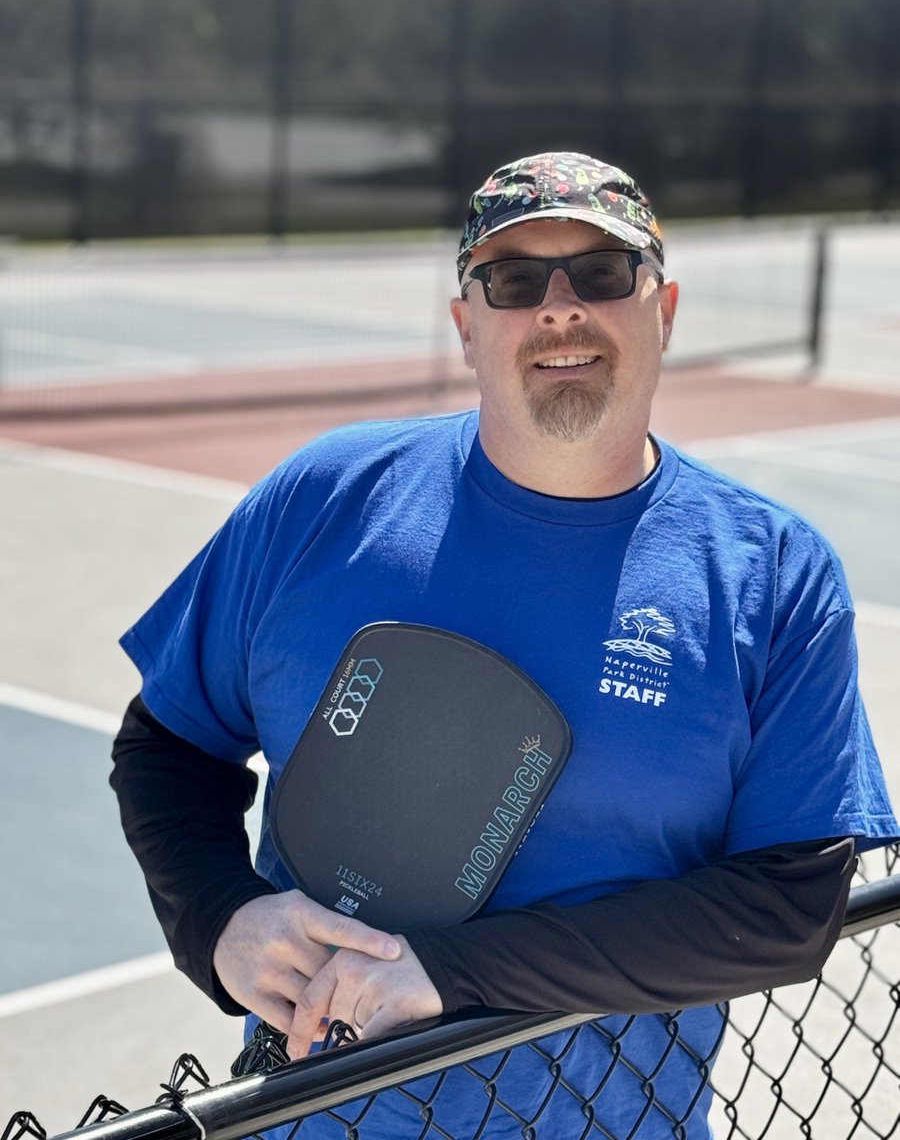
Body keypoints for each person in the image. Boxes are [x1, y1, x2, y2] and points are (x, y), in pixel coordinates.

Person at [111, 151, 898, 1139]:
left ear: (664, 309)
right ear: (466, 327)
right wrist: (218, 917)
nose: (559, 308)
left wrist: (449, 972)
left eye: (602, 274)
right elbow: (168, 744)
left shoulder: (774, 572)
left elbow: (788, 906)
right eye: (515, 281)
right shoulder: (321, 499)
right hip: (308, 1121)